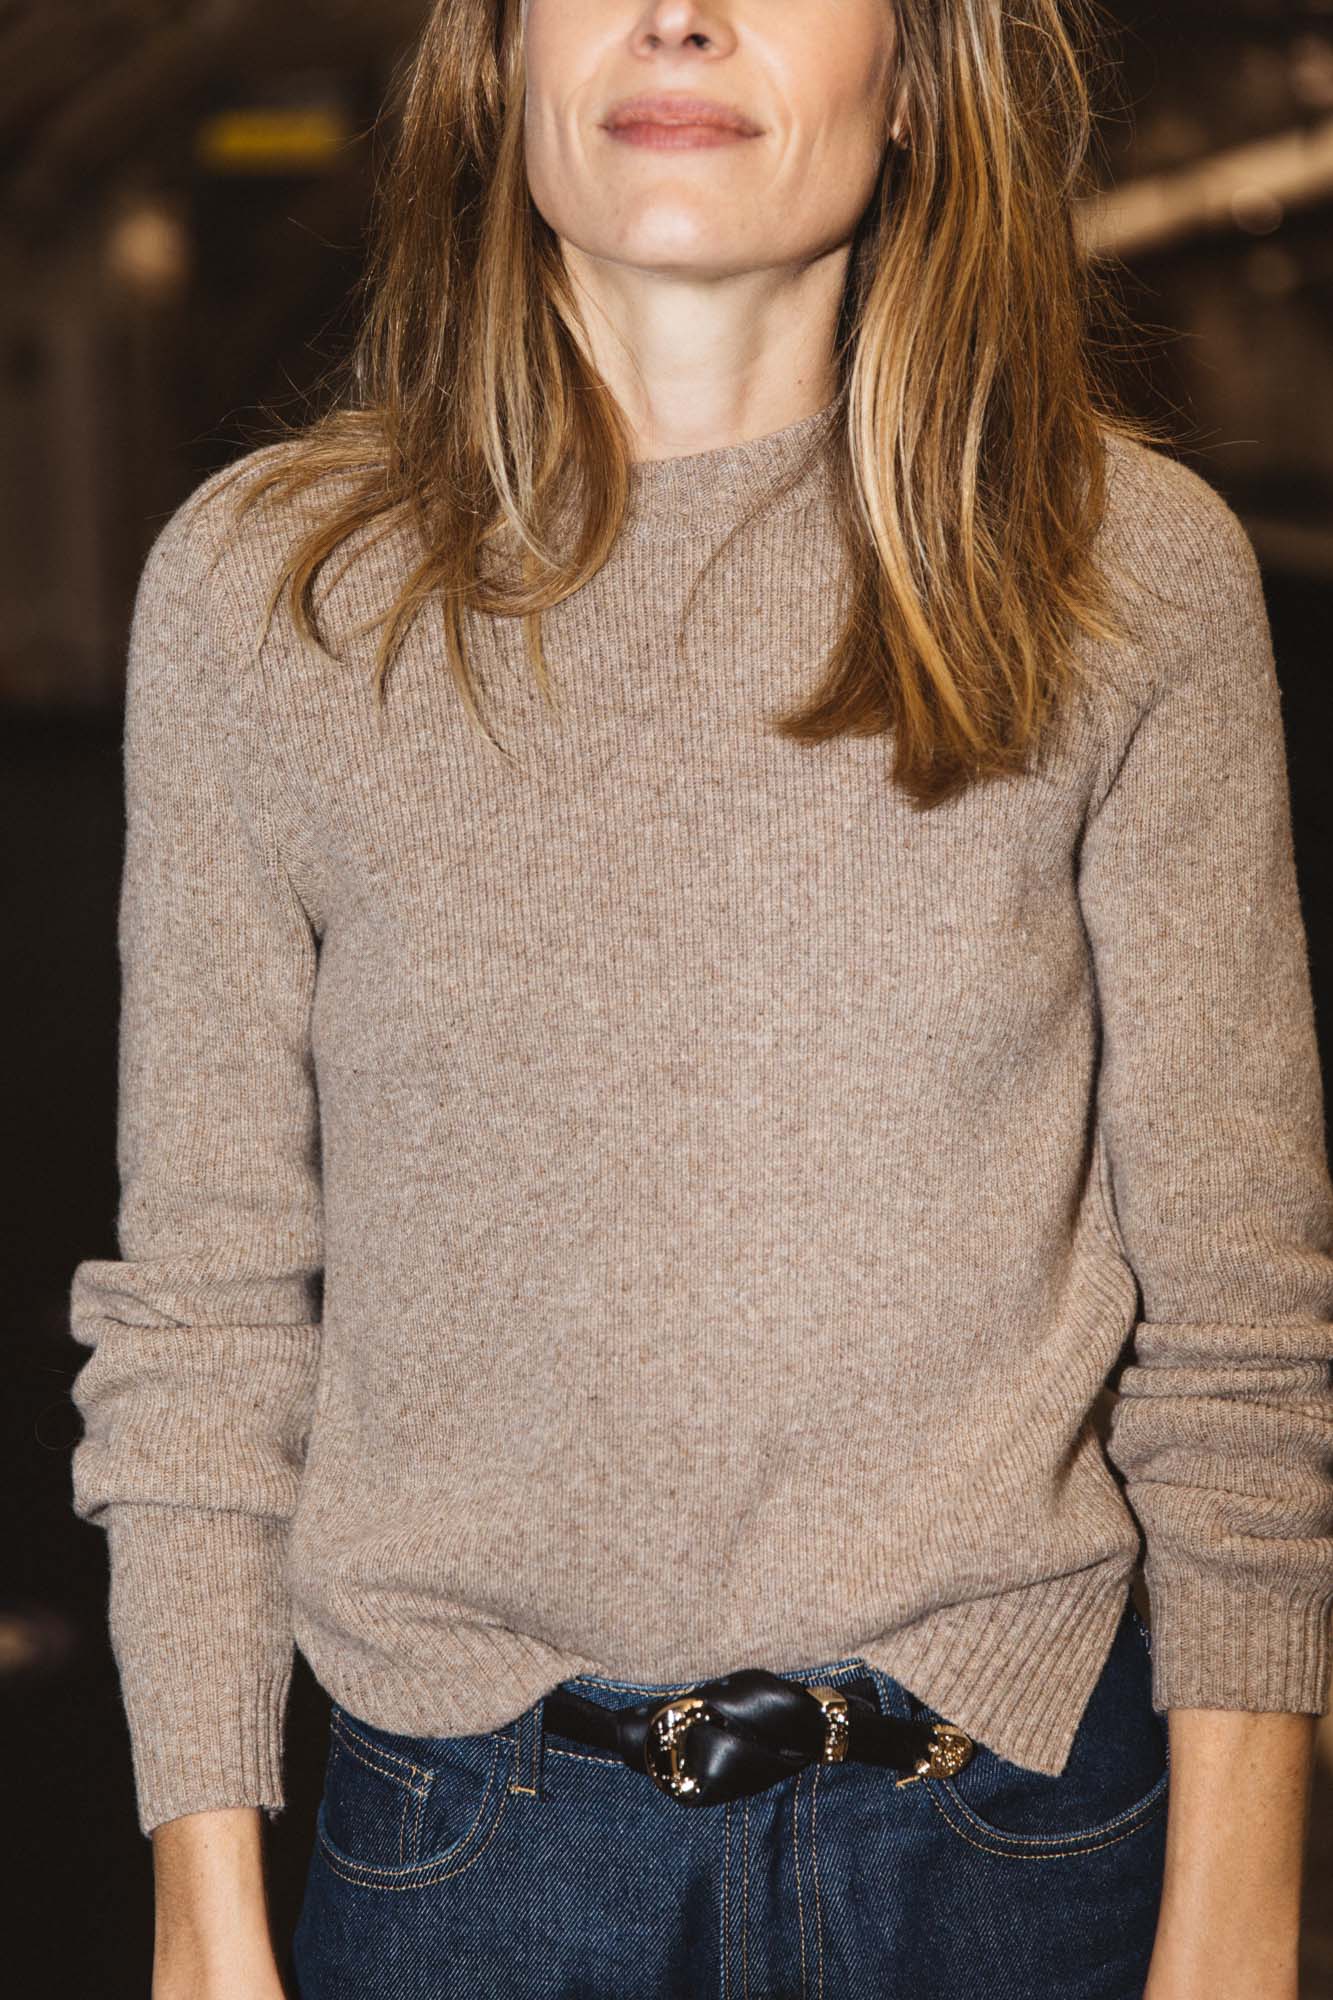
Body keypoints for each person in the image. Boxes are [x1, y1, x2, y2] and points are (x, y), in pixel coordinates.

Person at [67, 1, 1333, 1996]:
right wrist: (202, 1915)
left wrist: (1237, 1933)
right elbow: (205, 1320)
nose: (678, 12)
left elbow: (1239, 1332)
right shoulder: (267, 594)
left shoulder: (1123, 571)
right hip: (467, 1868)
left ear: (917, 75)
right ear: (498, 57)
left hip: (1010, 1848)